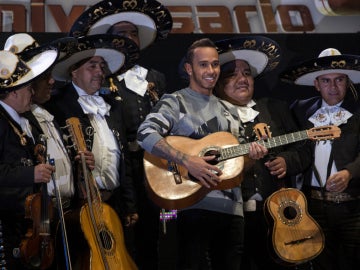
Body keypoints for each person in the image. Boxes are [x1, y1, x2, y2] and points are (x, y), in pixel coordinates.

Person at [137, 37, 268, 270]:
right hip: (186, 207)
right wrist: (188, 160)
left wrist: (251, 157)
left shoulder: (231, 111)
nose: (211, 70)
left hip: (232, 211)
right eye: (204, 64)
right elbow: (145, 133)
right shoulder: (175, 101)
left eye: (215, 64)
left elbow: (236, 166)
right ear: (189, 69)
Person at [68, 1, 173, 268]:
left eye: (133, 33)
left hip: (156, 167)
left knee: (160, 231)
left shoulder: (155, 78)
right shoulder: (100, 82)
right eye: (121, 33)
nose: (128, 39)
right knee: (121, 238)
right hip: (124, 169)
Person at [212, 36, 313, 270]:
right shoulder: (209, 116)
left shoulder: (274, 108)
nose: (242, 79)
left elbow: (303, 147)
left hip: (275, 216)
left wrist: (288, 161)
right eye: (233, 74)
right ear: (218, 82)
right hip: (228, 217)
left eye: (247, 73)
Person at [44, 33, 140, 269]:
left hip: (113, 203)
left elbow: (123, 157)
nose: (100, 71)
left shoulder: (114, 106)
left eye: (102, 66)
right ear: (73, 72)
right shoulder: (56, 105)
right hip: (77, 207)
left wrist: (129, 204)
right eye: (92, 66)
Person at [281, 48, 360, 270]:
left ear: (347, 82)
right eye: (326, 81)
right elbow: (293, 150)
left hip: (353, 207)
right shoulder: (300, 109)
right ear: (316, 84)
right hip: (312, 207)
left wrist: (350, 172)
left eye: (339, 80)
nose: (333, 87)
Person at [0, 48, 58, 269]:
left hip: (27, 226)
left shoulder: (17, 122)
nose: (32, 93)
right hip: (7, 227)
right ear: (13, 92)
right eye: (27, 87)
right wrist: (31, 173)